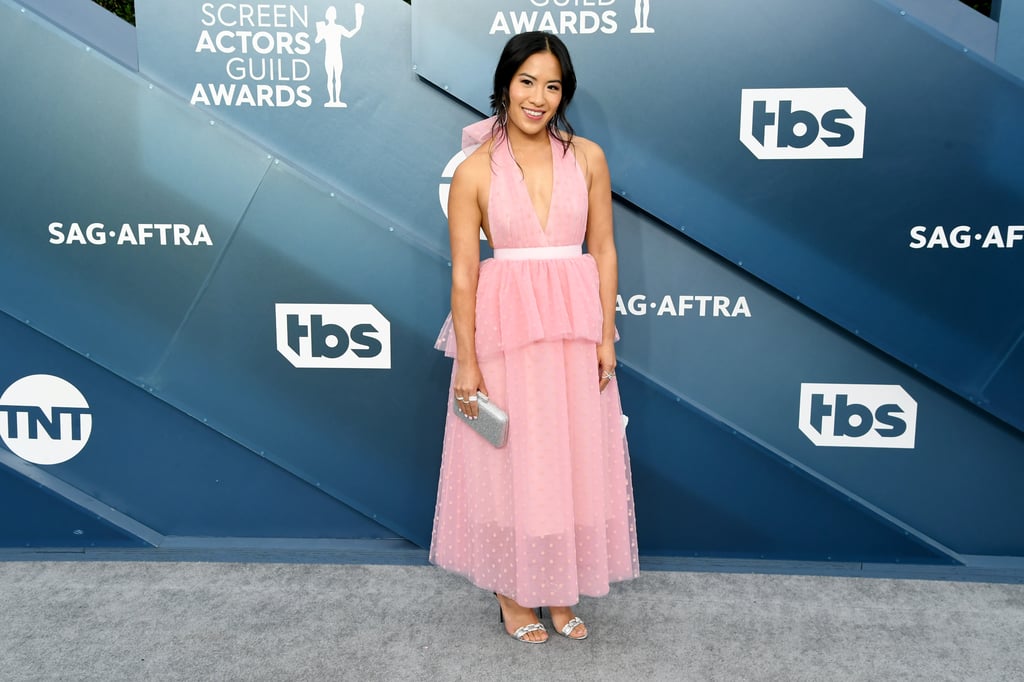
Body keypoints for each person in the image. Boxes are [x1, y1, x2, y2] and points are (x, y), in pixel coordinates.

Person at [431, 31, 639, 644]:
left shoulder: (590, 157)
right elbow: (465, 273)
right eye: (527, 82)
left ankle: (557, 585)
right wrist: (467, 362)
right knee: (508, 461)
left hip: (574, 328)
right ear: (504, 85)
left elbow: (602, 247)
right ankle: (512, 593)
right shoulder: (472, 171)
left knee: (570, 458)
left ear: (563, 94)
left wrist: (606, 337)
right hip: (506, 328)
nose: (538, 97)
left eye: (552, 86)